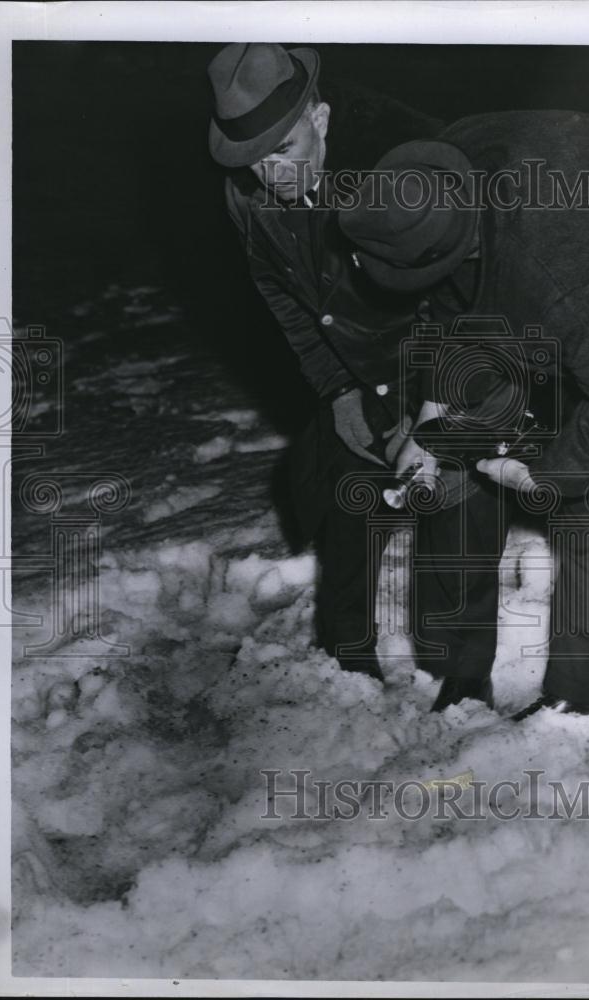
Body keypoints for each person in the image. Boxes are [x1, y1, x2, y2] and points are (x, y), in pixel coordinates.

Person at [338, 111, 589, 758]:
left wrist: (539, 473)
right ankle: (581, 700)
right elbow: (458, 307)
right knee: (584, 493)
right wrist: (434, 421)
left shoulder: (583, 271)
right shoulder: (445, 165)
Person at [207, 44, 508, 710]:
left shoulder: (406, 167)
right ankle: (349, 659)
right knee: (346, 491)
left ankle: (465, 677)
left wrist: (432, 409)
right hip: (353, 361)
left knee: (458, 491)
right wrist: (338, 389)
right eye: (254, 157)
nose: (271, 171)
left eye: (284, 146)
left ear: (321, 114)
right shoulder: (248, 194)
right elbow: (280, 292)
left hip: (443, 351)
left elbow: (465, 301)